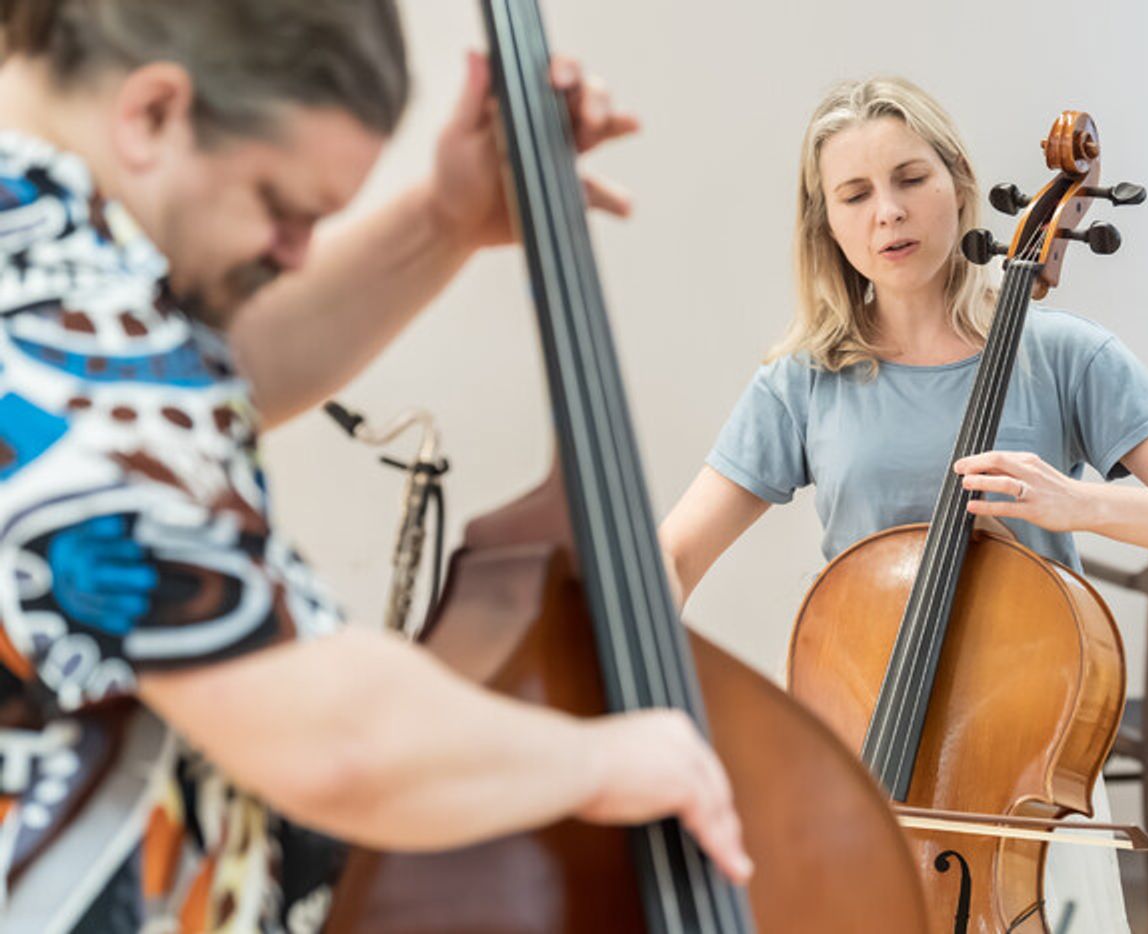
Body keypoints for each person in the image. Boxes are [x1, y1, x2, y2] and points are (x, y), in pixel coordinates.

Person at [0, 0, 748, 930]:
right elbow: (325, 735)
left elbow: (217, 380)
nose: (296, 254)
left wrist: (443, 220)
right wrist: (606, 762)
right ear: (152, 112)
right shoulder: (51, 330)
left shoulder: (46, 271)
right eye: (282, 209)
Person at [658, 76, 1148, 931]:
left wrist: (1078, 505)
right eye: (856, 194)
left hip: (1026, 774)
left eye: (911, 179)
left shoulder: (1063, 356)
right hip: (857, 768)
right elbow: (673, 560)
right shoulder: (804, 380)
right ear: (826, 222)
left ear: (959, 182)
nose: (889, 214)